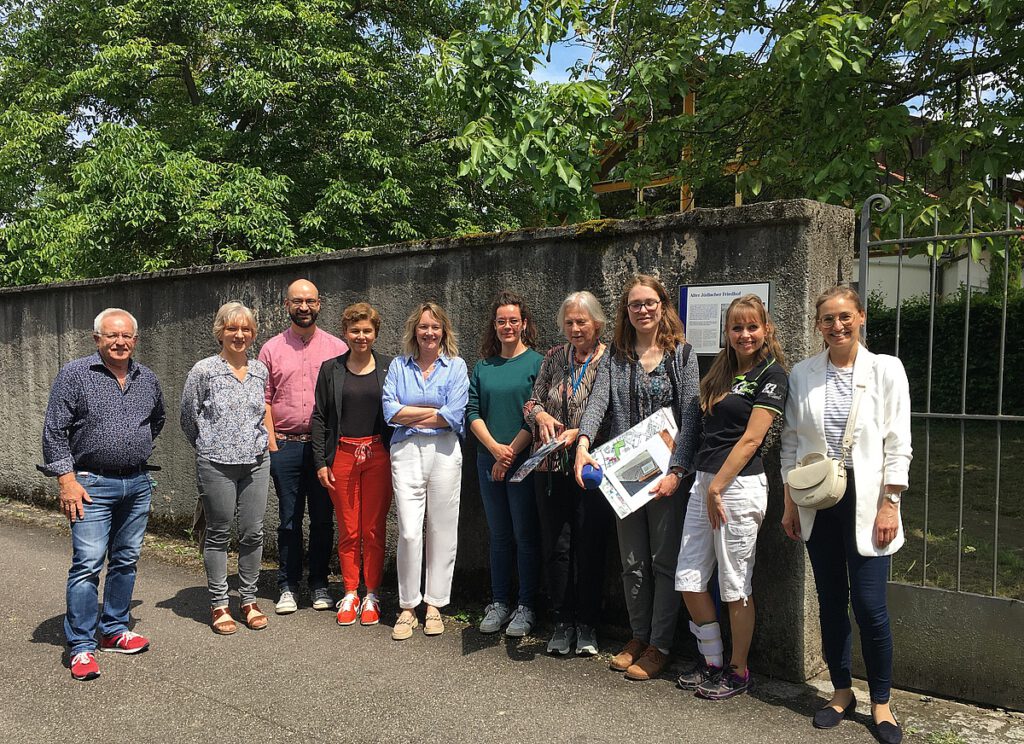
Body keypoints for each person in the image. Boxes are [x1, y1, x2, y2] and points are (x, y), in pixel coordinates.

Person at [781, 286, 911, 744]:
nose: (836, 326)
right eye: (827, 319)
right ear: (817, 324)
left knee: (871, 607)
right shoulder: (804, 373)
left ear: (860, 316)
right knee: (832, 601)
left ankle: (881, 702)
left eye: (844, 317)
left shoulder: (885, 369)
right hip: (820, 497)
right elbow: (792, 442)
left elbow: (898, 441)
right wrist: (790, 502)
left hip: (871, 496)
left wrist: (890, 503)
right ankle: (841, 692)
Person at [575, 274, 700, 681]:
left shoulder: (681, 354)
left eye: (649, 302)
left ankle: (660, 644)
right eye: (634, 304)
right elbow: (598, 403)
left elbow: (692, 418)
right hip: (626, 473)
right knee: (632, 562)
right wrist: (583, 443)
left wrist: (678, 472)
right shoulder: (617, 354)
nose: (642, 310)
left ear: (662, 306)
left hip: (667, 475)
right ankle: (638, 636)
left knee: (664, 561)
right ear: (626, 312)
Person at [41, 308, 165, 681]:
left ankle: (114, 629)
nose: (119, 342)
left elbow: (156, 420)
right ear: (97, 339)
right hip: (90, 485)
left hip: (137, 483)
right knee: (88, 563)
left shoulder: (147, 379)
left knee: (126, 560)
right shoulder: (75, 375)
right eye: (111, 335)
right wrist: (66, 479)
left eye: (126, 336)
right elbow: (54, 431)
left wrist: (133, 448)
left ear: (135, 340)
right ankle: (80, 645)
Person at [674, 295, 788, 699]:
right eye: (736, 328)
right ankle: (713, 661)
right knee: (688, 577)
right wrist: (704, 482)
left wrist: (718, 485)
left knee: (734, 583)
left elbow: (752, 438)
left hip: (736, 486)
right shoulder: (720, 372)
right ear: (727, 333)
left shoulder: (773, 375)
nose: (744, 334)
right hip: (705, 482)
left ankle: (739, 672)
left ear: (766, 329)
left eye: (752, 326)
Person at [524, 291, 612, 655]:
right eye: (569, 323)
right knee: (556, 547)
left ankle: (588, 625)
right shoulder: (554, 358)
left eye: (582, 322)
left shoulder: (610, 360)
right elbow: (532, 401)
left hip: (589, 468)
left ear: (597, 323)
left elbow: (608, 409)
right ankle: (561, 621)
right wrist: (540, 415)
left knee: (591, 546)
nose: (575, 329)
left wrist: (580, 435)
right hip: (548, 468)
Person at [180, 302, 271, 635]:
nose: (239, 334)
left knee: (252, 531)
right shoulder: (204, 370)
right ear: (220, 332)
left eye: (246, 328)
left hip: (257, 461)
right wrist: (209, 446)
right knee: (218, 533)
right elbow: (188, 418)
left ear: (253, 333)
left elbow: (261, 414)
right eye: (232, 328)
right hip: (216, 463)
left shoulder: (261, 370)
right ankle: (219, 603)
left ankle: (248, 599)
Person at [259, 279, 348, 614]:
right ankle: (287, 584)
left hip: (325, 448)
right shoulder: (271, 349)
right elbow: (265, 400)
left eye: (310, 301)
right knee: (288, 519)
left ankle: (320, 583)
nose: (304, 307)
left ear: (319, 304)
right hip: (286, 444)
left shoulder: (337, 348)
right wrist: (271, 440)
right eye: (297, 301)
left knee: (324, 519)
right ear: (287, 305)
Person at [382, 302, 469, 640]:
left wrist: (411, 411)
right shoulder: (398, 367)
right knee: (408, 530)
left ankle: (434, 604)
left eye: (435, 327)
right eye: (423, 327)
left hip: (445, 450)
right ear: (414, 332)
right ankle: (407, 605)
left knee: (443, 528)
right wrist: (432, 410)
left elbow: (454, 415)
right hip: (406, 450)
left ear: (443, 331)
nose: (429, 332)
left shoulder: (456, 366)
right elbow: (390, 411)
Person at [311, 303, 394, 627]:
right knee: (349, 529)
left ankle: (372, 593)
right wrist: (321, 461)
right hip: (343, 456)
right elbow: (319, 417)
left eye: (367, 330)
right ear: (345, 333)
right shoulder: (331, 368)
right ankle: (349, 591)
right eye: (355, 330)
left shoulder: (389, 367)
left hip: (378, 455)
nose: (361, 336)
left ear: (375, 333)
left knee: (373, 529)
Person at [469, 290, 544, 638]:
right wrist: (494, 450)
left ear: (524, 323)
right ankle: (499, 602)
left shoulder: (538, 363)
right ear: (494, 326)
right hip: (489, 460)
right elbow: (472, 412)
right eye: (501, 321)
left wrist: (509, 453)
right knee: (499, 536)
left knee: (525, 536)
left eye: (514, 320)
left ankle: (526, 606)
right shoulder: (483, 367)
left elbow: (539, 412)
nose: (508, 326)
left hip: (526, 462)